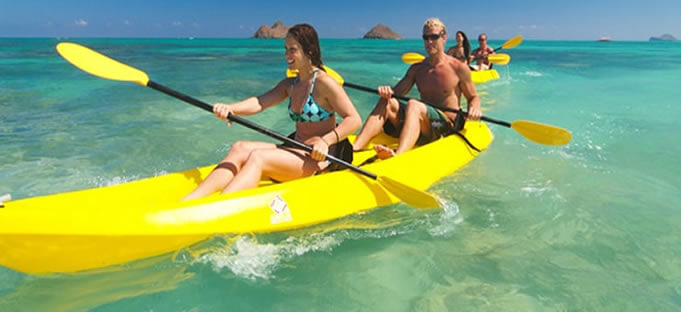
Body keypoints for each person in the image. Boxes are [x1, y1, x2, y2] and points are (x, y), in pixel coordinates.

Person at [184, 24, 361, 200]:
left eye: (293, 50)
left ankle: (218, 207)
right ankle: (190, 201)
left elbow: (354, 119)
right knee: (239, 148)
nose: (287, 55)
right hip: (294, 149)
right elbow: (259, 102)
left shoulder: (325, 83)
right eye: (285, 49)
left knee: (258, 157)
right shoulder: (291, 84)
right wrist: (231, 108)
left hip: (315, 160)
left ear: (310, 51)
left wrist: (325, 141)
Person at [352, 18, 482, 160]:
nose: (429, 41)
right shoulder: (417, 68)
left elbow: (473, 97)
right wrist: (387, 92)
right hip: (422, 121)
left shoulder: (458, 68)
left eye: (434, 37)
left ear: (444, 38)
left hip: (443, 125)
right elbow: (396, 93)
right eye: (426, 38)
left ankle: (398, 156)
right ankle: (356, 148)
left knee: (414, 104)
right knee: (387, 101)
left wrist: (474, 108)